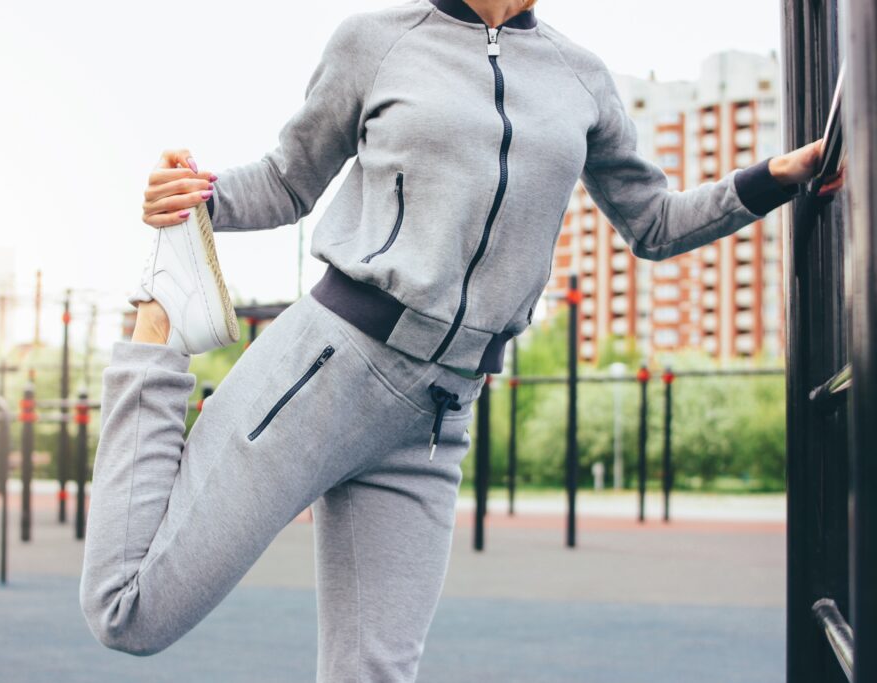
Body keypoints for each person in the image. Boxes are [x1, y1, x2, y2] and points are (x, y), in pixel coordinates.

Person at [79, 0, 843, 680]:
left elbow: (655, 222)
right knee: (131, 611)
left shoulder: (582, 79)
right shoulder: (376, 40)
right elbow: (287, 181)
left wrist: (774, 177)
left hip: (439, 415)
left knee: (374, 670)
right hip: (328, 366)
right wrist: (194, 199)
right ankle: (155, 342)